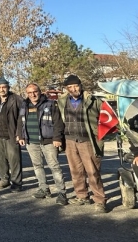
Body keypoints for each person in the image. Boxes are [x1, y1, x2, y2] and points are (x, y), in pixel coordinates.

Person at [57, 75, 108, 213]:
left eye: (76, 86)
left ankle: (100, 200)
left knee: (93, 172)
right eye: (70, 87)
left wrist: (102, 135)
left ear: (80, 85)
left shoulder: (93, 100)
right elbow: (59, 120)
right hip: (69, 140)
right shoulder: (61, 101)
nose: (73, 89)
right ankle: (82, 196)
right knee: (76, 171)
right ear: (66, 89)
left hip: (88, 141)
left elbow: (106, 118)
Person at [17, 83, 68, 205]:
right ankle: (44, 188)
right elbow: (20, 122)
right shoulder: (24, 105)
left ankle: (62, 193)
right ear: (27, 94)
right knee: (37, 166)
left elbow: (58, 122)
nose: (33, 94)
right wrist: (20, 135)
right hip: (31, 141)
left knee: (54, 167)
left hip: (48, 141)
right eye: (29, 93)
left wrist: (57, 138)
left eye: (35, 91)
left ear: (40, 92)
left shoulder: (50, 104)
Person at [0, 76, 25, 192]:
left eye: (4, 87)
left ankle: (17, 183)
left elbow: (22, 118)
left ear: (8, 87)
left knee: (14, 160)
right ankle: (4, 179)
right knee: (0, 159)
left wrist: (19, 133)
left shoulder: (17, 99)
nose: (1, 89)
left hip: (12, 134)